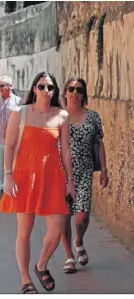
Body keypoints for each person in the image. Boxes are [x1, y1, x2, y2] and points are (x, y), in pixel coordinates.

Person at [0, 71, 75, 294]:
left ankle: (41, 265)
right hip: (24, 176)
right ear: (34, 89)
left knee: (58, 227)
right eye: (41, 86)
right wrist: (8, 175)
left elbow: (66, 152)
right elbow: (10, 145)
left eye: (49, 87)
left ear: (54, 91)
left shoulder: (61, 116)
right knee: (25, 230)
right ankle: (25, 280)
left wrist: (70, 181)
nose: (45, 91)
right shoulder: (20, 113)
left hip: (53, 176)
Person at [60, 78, 109, 274]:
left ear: (84, 94)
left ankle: (78, 240)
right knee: (64, 215)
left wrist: (104, 170)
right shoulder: (59, 117)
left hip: (85, 170)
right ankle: (69, 256)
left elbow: (99, 143)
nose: (74, 92)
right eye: (71, 89)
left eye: (79, 89)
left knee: (82, 215)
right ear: (65, 92)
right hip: (62, 172)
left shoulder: (93, 117)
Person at [0, 76, 23, 198]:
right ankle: (2, 187)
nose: (0, 88)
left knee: (15, 164)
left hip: (14, 139)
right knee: (1, 164)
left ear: (10, 86)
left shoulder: (18, 101)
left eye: (3, 86)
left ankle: (13, 185)